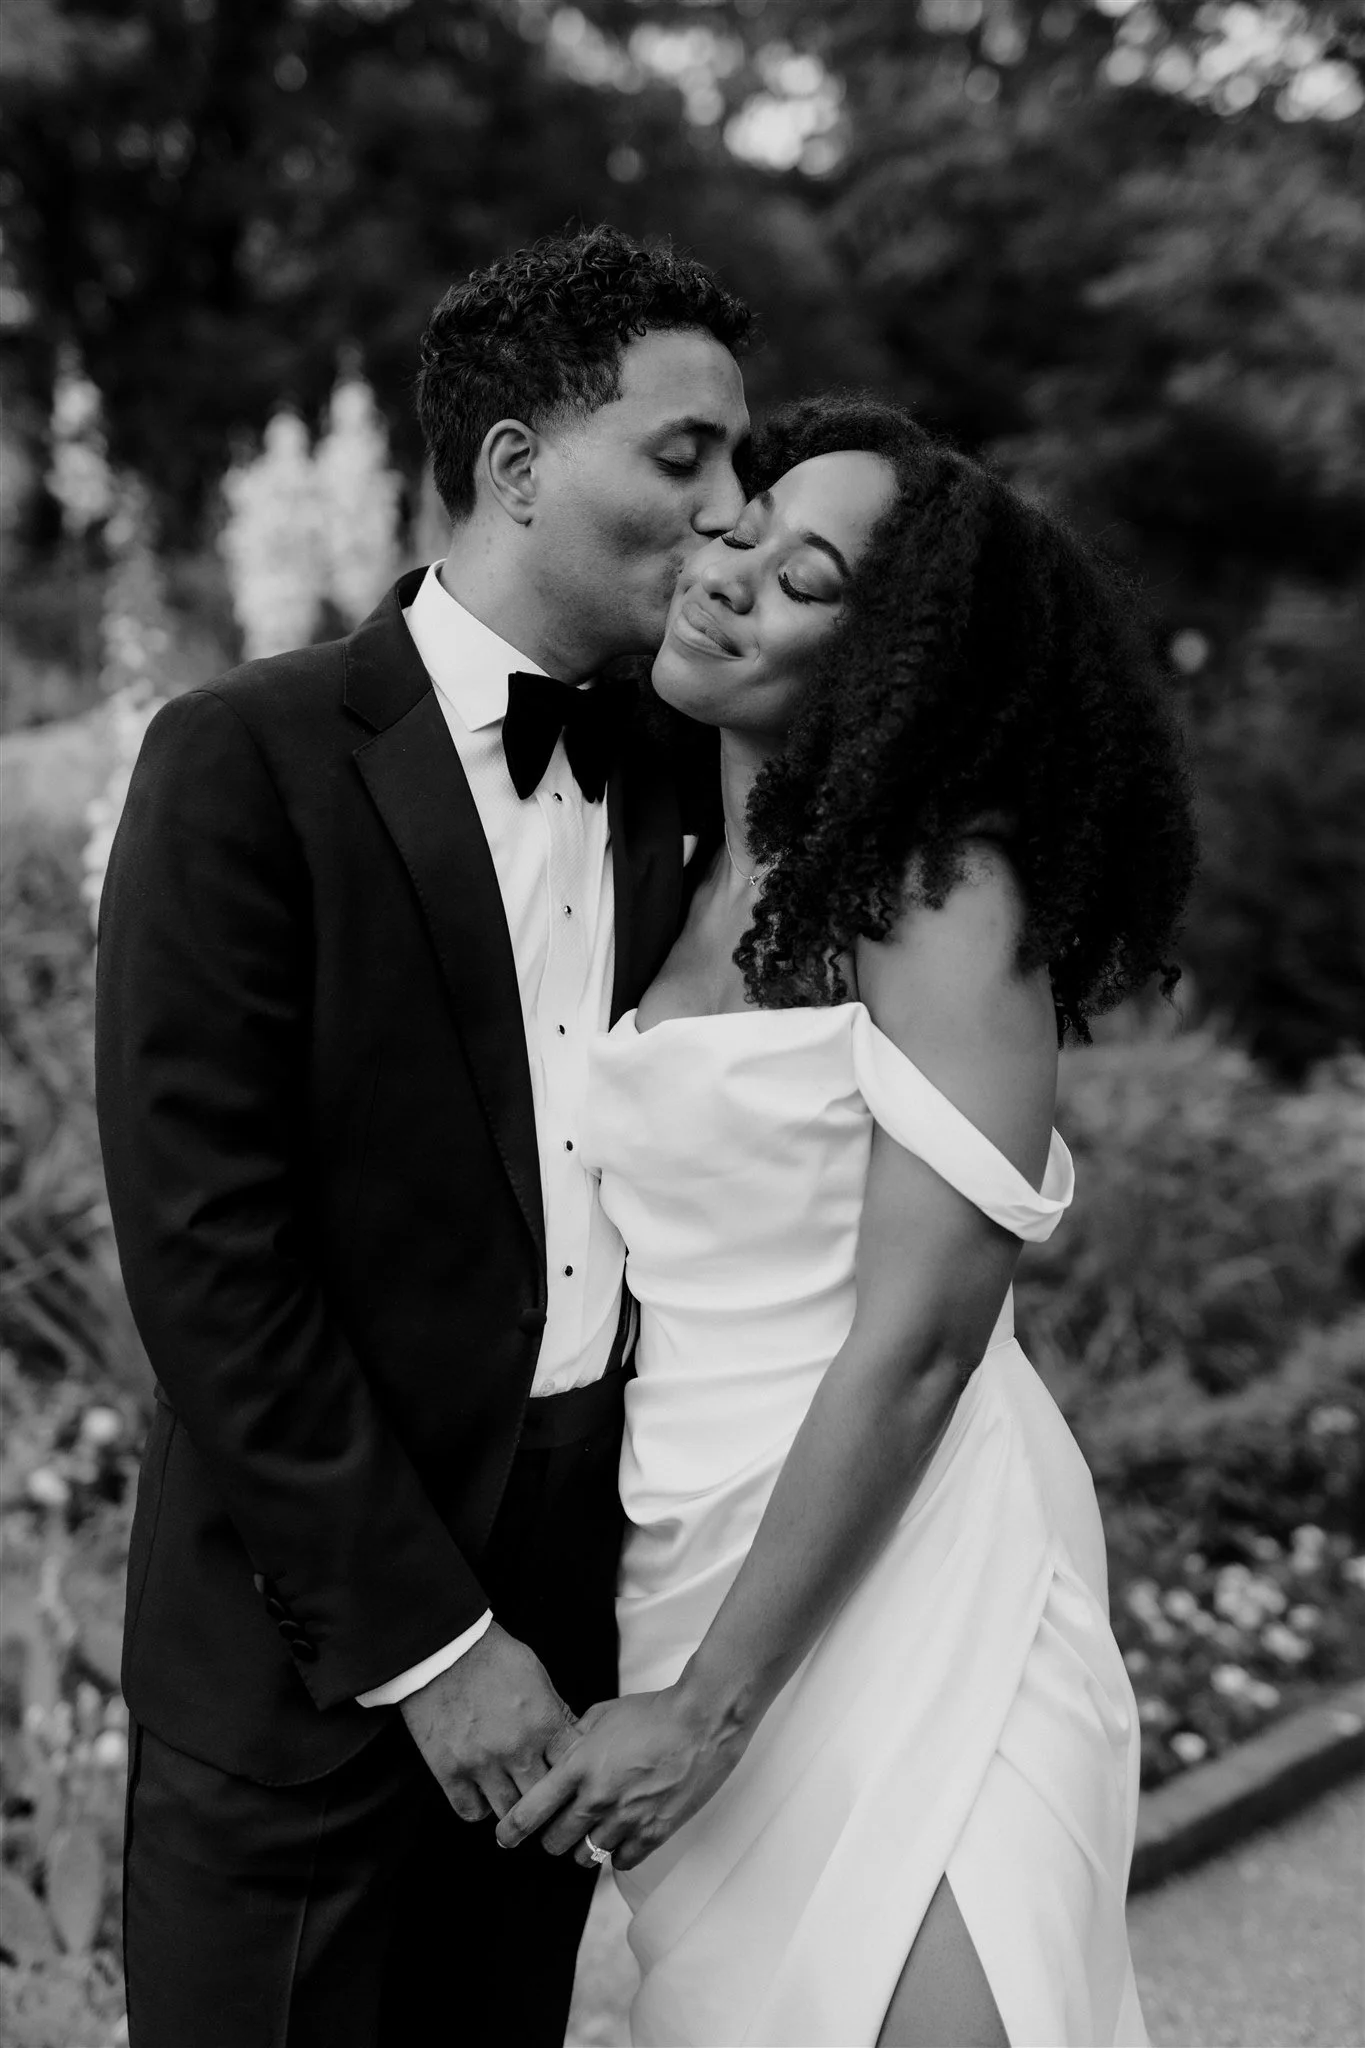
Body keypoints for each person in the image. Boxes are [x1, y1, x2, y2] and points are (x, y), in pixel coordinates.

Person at [95, 224, 750, 2048]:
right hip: (309, 1652)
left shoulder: (697, 769)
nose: (728, 511)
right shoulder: (243, 759)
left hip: (579, 1628)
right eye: (684, 455)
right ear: (517, 465)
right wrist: (435, 1650)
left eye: (742, 464)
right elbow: (209, 1257)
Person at [497, 395, 1198, 2046]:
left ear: (899, 664)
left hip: (920, 1573)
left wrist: (709, 1709)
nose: (728, 575)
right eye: (741, 531)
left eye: (805, 578)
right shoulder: (657, 866)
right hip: (689, 1554)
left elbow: (923, 1341)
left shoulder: (939, 892)